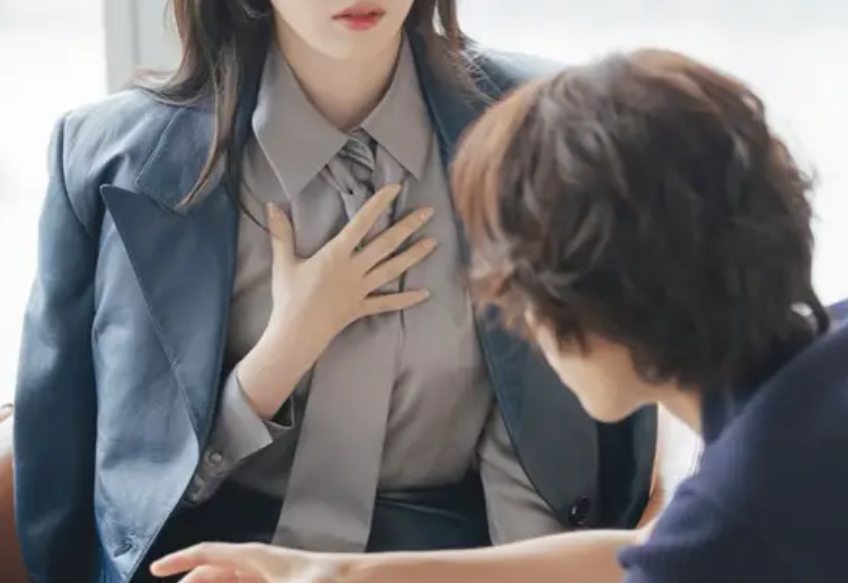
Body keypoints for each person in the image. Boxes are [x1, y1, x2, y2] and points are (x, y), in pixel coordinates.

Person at [12, 0, 659, 583]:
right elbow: (96, 493)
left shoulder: (539, 129)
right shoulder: (115, 163)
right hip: (219, 563)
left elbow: (580, 440)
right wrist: (278, 356)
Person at [151, 48, 848, 583]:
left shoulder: (741, 515)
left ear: (609, 302)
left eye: (524, 292)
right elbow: (652, 552)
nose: (519, 325)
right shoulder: (816, 372)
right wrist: (344, 572)